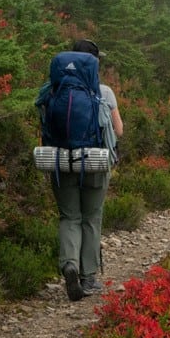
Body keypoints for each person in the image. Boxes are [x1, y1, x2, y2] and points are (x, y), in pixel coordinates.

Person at [49, 38, 121, 301]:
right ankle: (88, 278)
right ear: (94, 63)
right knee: (91, 217)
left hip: (59, 161)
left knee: (69, 217)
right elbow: (119, 130)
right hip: (94, 163)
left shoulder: (52, 90)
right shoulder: (105, 92)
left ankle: (69, 263)